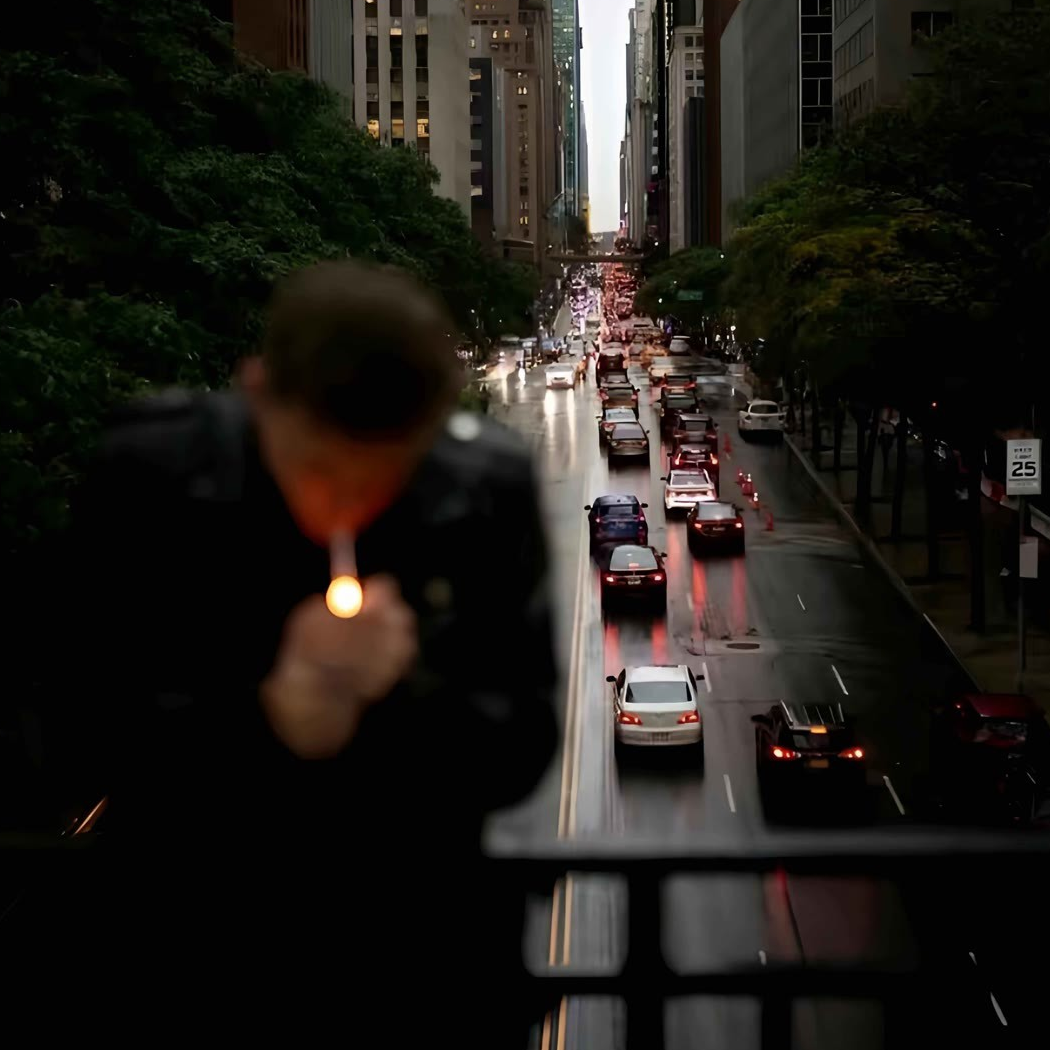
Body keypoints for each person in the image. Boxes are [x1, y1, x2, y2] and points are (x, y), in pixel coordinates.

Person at [39, 260, 558, 1040]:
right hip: (196, 958)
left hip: (418, 963)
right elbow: (73, 732)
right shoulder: (155, 480)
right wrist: (269, 714)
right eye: (318, 468)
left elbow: (521, 744)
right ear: (257, 390)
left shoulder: (481, 492)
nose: (344, 504)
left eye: (382, 478)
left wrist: (401, 687)